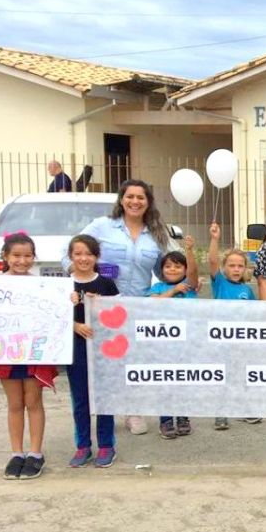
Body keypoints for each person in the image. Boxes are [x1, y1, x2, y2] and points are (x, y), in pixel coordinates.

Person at [68, 179, 181, 436]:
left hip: (137, 304)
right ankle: (98, 408)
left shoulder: (157, 233)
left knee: (132, 359)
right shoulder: (102, 226)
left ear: (148, 202)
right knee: (102, 360)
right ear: (121, 199)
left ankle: (132, 409)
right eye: (130, 196)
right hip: (101, 306)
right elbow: (73, 253)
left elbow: (169, 268)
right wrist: (77, 279)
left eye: (141, 197)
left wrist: (182, 283)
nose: (135, 202)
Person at [0, 233, 57, 480]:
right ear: (6, 257)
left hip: (34, 353)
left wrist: (68, 300)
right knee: (15, 404)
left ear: (34, 257)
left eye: (28, 256)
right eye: (17, 256)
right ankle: (17, 452)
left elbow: (54, 312)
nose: (22, 261)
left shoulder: (42, 286)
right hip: (7, 354)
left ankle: (36, 453)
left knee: (33, 402)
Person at [66, 235, 119, 467]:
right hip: (75, 350)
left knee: (104, 396)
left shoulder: (106, 284)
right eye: (78, 253)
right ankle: (83, 446)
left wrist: (99, 307)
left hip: (103, 349)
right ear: (70, 256)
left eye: (88, 253)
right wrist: (74, 325)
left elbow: (119, 318)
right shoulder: (64, 285)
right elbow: (53, 318)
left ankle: (106, 445)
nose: (83, 258)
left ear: (96, 256)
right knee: (80, 399)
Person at [206, 222, 260, 431]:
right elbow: (211, 260)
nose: (236, 269)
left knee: (243, 374)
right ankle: (221, 413)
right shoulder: (219, 283)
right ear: (224, 267)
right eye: (231, 265)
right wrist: (214, 239)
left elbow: (254, 315)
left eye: (240, 266)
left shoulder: (247, 290)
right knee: (223, 376)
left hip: (243, 340)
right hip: (222, 339)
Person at [150, 247, 199, 440]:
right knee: (165, 381)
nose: (172, 269)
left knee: (184, 380)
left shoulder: (191, 285)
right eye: (168, 266)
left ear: (185, 270)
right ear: (161, 270)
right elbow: (153, 303)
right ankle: (166, 420)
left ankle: (183, 417)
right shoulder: (156, 288)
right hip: (164, 344)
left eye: (178, 266)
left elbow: (194, 273)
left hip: (186, 343)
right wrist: (174, 291)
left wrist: (189, 250)